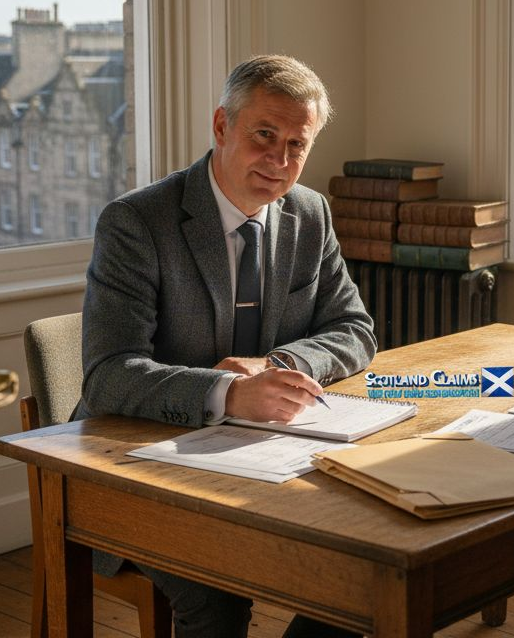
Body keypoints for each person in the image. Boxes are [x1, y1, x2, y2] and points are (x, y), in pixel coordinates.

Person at [76, 54, 376, 638]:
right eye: (265, 134)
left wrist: (279, 364)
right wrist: (230, 394)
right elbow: (108, 375)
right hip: (136, 467)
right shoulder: (137, 222)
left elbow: (355, 329)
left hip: (264, 453)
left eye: (298, 144)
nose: (281, 161)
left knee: (356, 569)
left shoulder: (309, 213)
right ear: (221, 126)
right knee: (218, 596)